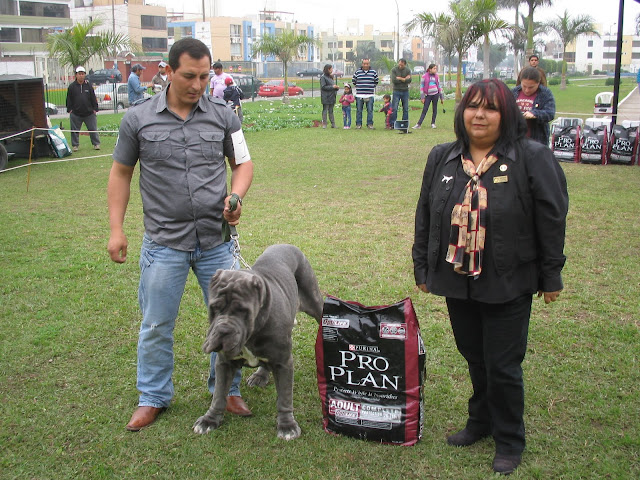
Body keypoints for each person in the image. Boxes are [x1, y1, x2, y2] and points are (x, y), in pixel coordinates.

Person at [413, 78, 568, 475]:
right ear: (461, 111)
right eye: (472, 106)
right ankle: (480, 422)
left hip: (508, 278)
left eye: (491, 108)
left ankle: (510, 439)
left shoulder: (531, 157)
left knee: (502, 364)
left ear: (508, 115)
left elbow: (551, 218)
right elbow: (426, 215)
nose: (479, 115)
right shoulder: (442, 157)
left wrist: (551, 276)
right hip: (455, 277)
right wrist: (423, 267)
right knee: (474, 356)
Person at [107, 37, 255, 432]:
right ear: (167, 72)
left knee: (230, 319)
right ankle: (153, 396)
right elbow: (121, 173)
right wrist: (116, 230)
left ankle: (227, 391)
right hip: (163, 244)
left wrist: (235, 196)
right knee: (156, 323)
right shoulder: (137, 119)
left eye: (205, 76)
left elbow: (242, 164)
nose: (198, 84)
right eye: (189, 75)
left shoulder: (224, 115)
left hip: (216, 242)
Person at [512, 66, 556, 145]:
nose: (527, 90)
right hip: (515, 141)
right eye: (524, 86)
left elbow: (550, 113)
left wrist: (535, 114)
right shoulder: (513, 92)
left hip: (537, 142)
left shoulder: (545, 93)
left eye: (531, 87)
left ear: (538, 83)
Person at [65, 66, 100, 152]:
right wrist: (70, 109)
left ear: (85, 75)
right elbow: (69, 99)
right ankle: (75, 145)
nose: (81, 76)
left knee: (93, 129)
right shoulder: (72, 87)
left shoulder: (88, 86)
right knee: (74, 131)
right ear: (76, 75)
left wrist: (95, 109)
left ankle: (96, 144)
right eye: (79, 74)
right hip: (76, 113)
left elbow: (93, 97)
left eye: (82, 74)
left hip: (89, 113)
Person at [413, 63, 444, 129]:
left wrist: (441, 97)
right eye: (434, 68)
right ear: (430, 69)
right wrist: (422, 97)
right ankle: (419, 124)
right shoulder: (424, 76)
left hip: (435, 94)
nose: (435, 70)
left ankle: (433, 123)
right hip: (428, 95)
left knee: (434, 109)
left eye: (436, 68)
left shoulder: (436, 76)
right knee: (425, 109)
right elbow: (421, 86)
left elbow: (439, 86)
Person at [352, 58, 379, 129]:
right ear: (362, 64)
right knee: (359, 110)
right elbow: (354, 81)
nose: (366, 65)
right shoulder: (357, 72)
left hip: (369, 95)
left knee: (370, 110)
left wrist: (370, 87)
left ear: (369, 64)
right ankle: (358, 124)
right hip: (359, 95)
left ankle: (370, 124)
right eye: (364, 63)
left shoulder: (373, 72)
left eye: (367, 63)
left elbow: (376, 81)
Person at [389, 58, 412, 128]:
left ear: (405, 64)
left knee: (405, 108)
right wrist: (405, 79)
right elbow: (394, 80)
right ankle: (393, 123)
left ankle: (405, 123)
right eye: (399, 64)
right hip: (396, 91)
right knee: (394, 108)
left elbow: (409, 80)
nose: (400, 66)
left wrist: (400, 78)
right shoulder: (394, 70)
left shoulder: (408, 70)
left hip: (405, 91)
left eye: (402, 65)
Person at [320, 64, 339, 128]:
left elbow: (332, 86)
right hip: (326, 97)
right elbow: (323, 87)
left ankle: (333, 124)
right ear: (328, 69)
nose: (332, 70)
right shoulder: (323, 77)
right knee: (325, 110)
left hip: (332, 96)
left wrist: (336, 88)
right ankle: (324, 124)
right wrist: (332, 87)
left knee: (331, 110)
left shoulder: (330, 77)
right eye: (331, 69)